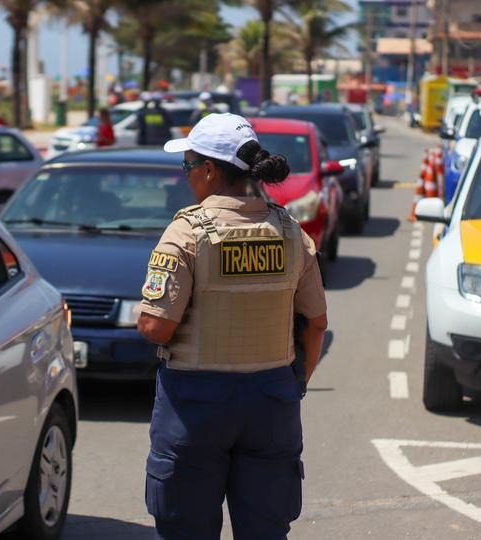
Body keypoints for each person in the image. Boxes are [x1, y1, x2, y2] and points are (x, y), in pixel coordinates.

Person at [137, 112, 328, 540]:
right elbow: (316, 323)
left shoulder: (186, 234)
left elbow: (156, 327)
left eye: (188, 166)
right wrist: (292, 382)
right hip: (272, 401)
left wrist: (143, 313)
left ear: (208, 170)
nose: (187, 177)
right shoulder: (290, 231)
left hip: (194, 404)